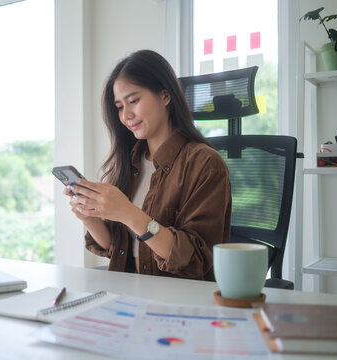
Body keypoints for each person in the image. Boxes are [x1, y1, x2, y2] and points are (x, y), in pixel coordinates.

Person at [64, 49, 231, 281]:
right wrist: (89, 218)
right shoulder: (128, 163)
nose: (126, 116)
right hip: (126, 290)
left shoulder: (205, 164)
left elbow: (194, 260)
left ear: (165, 96)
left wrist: (129, 213)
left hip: (176, 301)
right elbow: (116, 247)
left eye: (133, 101)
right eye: (120, 106)